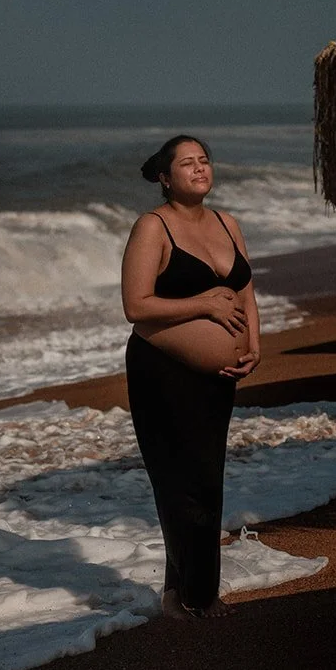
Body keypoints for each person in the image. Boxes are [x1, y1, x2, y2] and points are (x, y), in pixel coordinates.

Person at [121, 134, 260, 620]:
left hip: (218, 375)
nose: (200, 168)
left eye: (204, 160)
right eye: (187, 163)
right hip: (161, 371)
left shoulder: (227, 223)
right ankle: (201, 598)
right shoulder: (152, 228)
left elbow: (244, 291)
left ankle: (179, 593)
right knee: (180, 482)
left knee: (208, 480)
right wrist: (202, 303)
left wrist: (254, 344)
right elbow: (135, 306)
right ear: (164, 178)